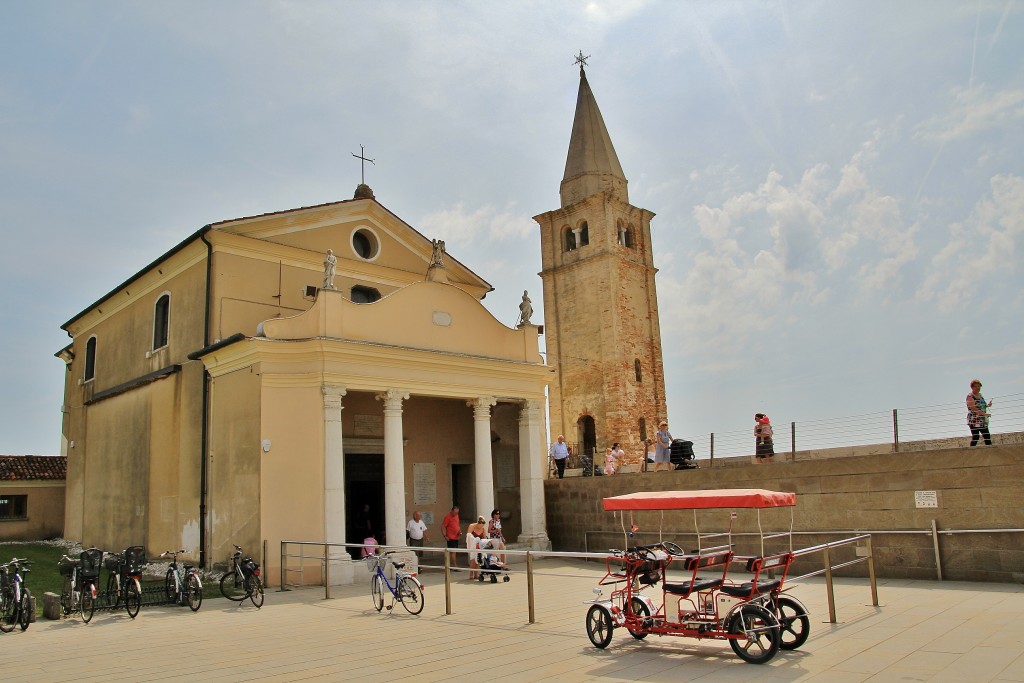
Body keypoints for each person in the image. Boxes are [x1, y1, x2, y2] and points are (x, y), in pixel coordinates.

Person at [967, 379, 993, 446]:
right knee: (976, 437)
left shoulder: (980, 395)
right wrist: (984, 414)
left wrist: (987, 405)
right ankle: (971, 452)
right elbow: (973, 408)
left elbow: (981, 406)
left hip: (982, 419)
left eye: (979, 386)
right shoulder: (970, 396)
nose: (977, 388)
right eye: (975, 386)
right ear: (972, 387)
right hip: (974, 419)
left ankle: (990, 452)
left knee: (987, 436)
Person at [466, 515, 488, 580]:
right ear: (478, 523)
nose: (481, 527)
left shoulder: (483, 529)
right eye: (480, 526)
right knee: (473, 560)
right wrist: (474, 540)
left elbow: (484, 538)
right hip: (473, 545)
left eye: (482, 526)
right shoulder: (472, 526)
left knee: (478, 560)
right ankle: (471, 574)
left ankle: (476, 574)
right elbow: (468, 535)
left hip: (479, 546)